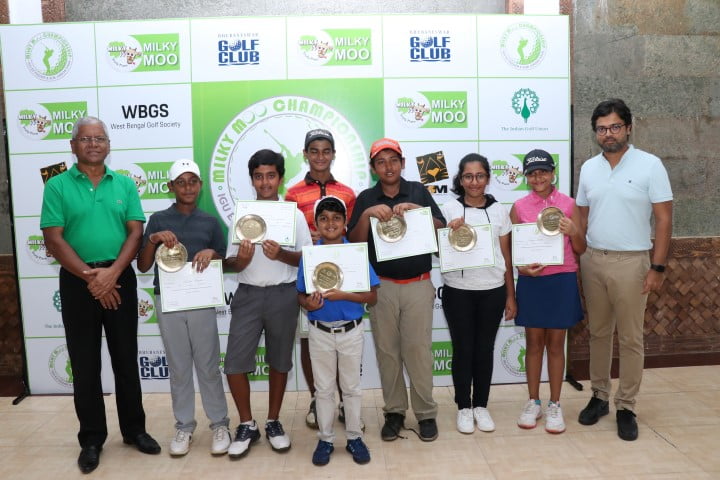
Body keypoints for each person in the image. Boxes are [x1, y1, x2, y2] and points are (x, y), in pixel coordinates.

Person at [40, 116, 160, 474]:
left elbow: (135, 233)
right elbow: (54, 239)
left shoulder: (124, 183)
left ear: (108, 145)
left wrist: (111, 275)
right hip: (78, 282)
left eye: (100, 138)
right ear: (73, 145)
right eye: (86, 139)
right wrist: (92, 279)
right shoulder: (57, 185)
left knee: (126, 358)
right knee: (85, 363)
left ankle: (135, 430)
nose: (93, 144)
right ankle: (91, 439)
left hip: (119, 277)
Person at [576, 99, 673, 441]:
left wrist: (657, 266)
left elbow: (664, 219)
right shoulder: (589, 168)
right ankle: (600, 396)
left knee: (631, 338)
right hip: (593, 260)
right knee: (599, 333)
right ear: (595, 133)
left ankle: (627, 406)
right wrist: (577, 256)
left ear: (628, 128)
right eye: (602, 129)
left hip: (633, 263)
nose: (609, 134)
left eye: (615, 127)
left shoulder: (650, 165)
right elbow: (582, 216)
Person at [347, 138, 446, 442]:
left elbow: (442, 230)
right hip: (382, 287)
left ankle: (426, 413)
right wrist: (366, 215)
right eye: (381, 161)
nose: (388, 167)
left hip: (418, 283)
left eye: (393, 160)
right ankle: (394, 412)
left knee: (418, 352)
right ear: (373, 168)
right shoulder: (366, 198)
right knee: (387, 352)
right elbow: (354, 244)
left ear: (402, 163)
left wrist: (418, 211)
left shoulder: (418, 191)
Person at [136, 159, 231, 456]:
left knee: (208, 366)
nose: (187, 187)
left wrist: (212, 252)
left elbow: (225, 260)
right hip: (169, 301)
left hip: (200, 301)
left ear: (200, 185)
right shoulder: (158, 220)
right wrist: (153, 240)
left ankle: (220, 424)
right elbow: (143, 265)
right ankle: (184, 426)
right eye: (181, 182)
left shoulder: (210, 222)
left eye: (192, 181)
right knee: (178, 368)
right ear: (170, 187)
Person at [223, 149, 312, 458]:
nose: (265, 182)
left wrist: (281, 254)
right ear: (252, 180)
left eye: (271, 176)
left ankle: (273, 421)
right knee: (234, 364)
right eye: (258, 176)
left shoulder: (294, 215)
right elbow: (230, 262)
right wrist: (241, 260)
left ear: (280, 178)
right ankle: (247, 424)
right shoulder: (242, 215)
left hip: (283, 295)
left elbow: (306, 258)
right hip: (247, 294)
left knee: (279, 361)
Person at [297, 196, 379, 466]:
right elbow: (301, 295)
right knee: (323, 390)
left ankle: (354, 437)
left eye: (336, 218)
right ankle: (326, 439)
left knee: (351, 388)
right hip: (319, 331)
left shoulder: (355, 254)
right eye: (323, 219)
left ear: (345, 223)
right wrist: (307, 303)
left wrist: (346, 295)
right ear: (315, 224)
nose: (330, 223)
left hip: (351, 331)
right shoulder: (310, 256)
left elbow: (372, 296)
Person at [285, 129, 357, 429]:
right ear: (305, 154)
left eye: (326, 151)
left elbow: (352, 235)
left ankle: (343, 402)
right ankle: (318, 397)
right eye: (314, 151)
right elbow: (290, 237)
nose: (320, 156)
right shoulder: (292, 194)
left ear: (334, 154)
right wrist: (308, 239)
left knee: (343, 344)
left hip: (343, 276)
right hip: (309, 276)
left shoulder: (347, 193)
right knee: (310, 341)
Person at [510, 149, 585, 434]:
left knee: (555, 344)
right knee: (533, 344)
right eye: (532, 173)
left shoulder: (569, 204)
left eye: (543, 171)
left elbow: (581, 248)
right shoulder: (519, 207)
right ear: (526, 177)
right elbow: (515, 250)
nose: (538, 177)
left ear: (553, 173)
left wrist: (573, 231)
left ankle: (555, 404)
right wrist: (522, 268)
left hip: (561, 279)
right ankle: (533, 401)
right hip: (532, 281)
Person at [440, 154, 516, 435]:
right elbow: (438, 250)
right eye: (468, 176)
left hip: (492, 290)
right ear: (460, 180)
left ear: (488, 178)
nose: (474, 182)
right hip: (457, 291)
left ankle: (481, 405)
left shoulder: (499, 211)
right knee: (463, 350)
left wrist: (511, 296)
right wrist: (447, 232)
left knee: (484, 349)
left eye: (480, 176)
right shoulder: (448, 209)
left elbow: (506, 255)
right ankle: (463, 406)